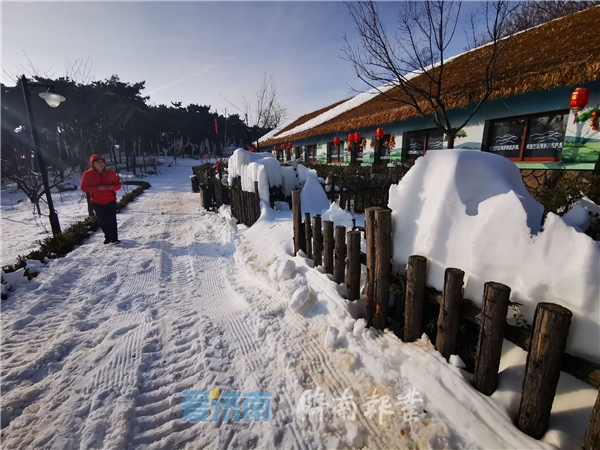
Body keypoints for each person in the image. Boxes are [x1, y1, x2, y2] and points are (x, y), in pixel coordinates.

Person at [81, 154, 122, 244]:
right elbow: (84, 187)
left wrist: (112, 187)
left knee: (112, 219)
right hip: (96, 201)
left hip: (110, 199)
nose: (101, 164)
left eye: (102, 162)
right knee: (102, 220)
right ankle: (107, 237)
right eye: (98, 162)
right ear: (93, 164)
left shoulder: (111, 173)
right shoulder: (87, 174)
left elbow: (118, 185)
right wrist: (96, 189)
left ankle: (114, 239)